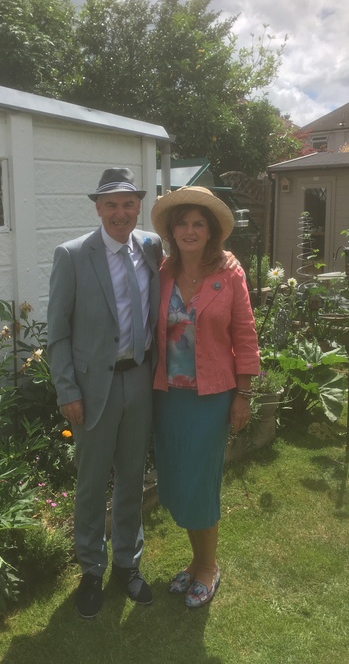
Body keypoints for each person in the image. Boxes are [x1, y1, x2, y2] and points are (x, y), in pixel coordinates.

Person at [47, 167, 163, 618]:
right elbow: (58, 332)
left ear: (138, 207)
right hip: (93, 387)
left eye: (128, 204)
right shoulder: (73, 255)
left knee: (133, 478)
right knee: (92, 483)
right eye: (111, 204)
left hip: (140, 380)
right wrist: (67, 390)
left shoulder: (151, 246)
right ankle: (92, 570)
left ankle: (127, 565)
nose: (120, 213)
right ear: (98, 208)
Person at [150, 186, 260, 608]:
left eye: (199, 224)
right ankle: (196, 561)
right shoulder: (162, 272)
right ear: (172, 231)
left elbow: (245, 335)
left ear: (211, 232)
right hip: (168, 396)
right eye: (183, 223)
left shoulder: (229, 274)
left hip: (211, 397)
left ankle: (209, 567)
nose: (190, 231)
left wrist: (243, 394)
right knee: (179, 481)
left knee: (200, 482)